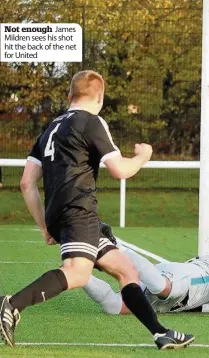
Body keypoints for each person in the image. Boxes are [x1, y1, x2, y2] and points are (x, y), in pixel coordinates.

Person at [0, 70, 194, 350]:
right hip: (79, 210)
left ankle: (160, 333)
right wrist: (142, 157)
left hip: (62, 213)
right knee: (77, 273)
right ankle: (11, 304)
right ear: (100, 96)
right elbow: (120, 170)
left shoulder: (50, 127)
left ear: (70, 95)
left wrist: (45, 225)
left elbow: (26, 182)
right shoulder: (91, 121)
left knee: (126, 270)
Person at [84, 229, 209, 316]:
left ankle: (81, 275)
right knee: (161, 287)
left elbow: (198, 305)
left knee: (115, 307)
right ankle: (115, 246)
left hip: (173, 292)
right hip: (180, 280)